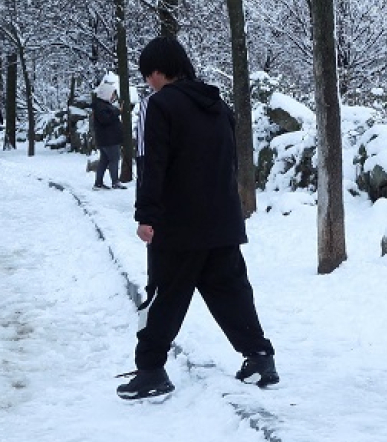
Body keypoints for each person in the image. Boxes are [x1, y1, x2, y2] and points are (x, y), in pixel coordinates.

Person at [118, 36, 278, 400]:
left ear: (159, 71)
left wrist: (147, 215)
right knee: (232, 293)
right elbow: (230, 163)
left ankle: (151, 371)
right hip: (222, 221)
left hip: (177, 225)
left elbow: (151, 163)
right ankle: (259, 358)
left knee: (163, 297)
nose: (148, 83)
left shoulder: (158, 106)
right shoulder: (219, 107)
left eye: (149, 75)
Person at [90, 83, 126, 190]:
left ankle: (98, 183)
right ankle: (115, 181)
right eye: (112, 95)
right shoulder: (101, 106)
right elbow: (105, 119)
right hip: (109, 139)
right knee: (114, 159)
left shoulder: (101, 105)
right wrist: (117, 112)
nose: (113, 97)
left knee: (104, 160)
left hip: (105, 139)